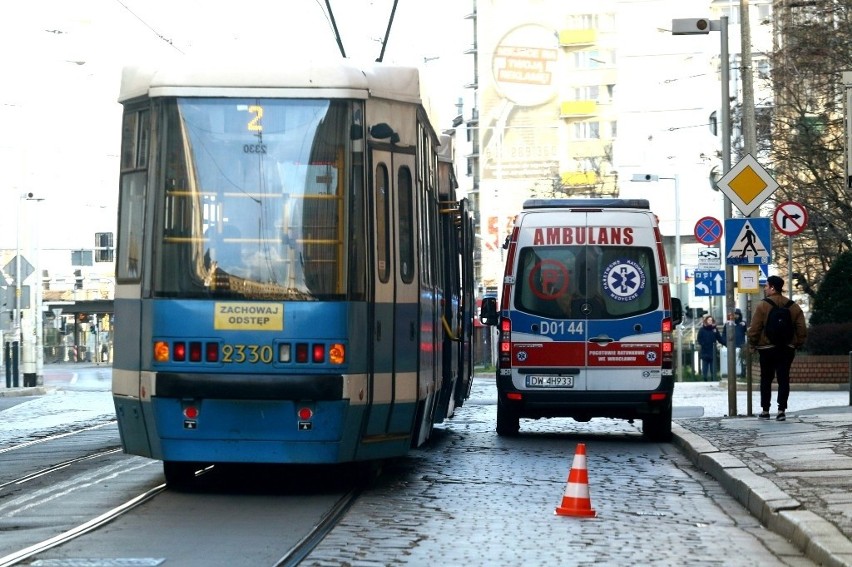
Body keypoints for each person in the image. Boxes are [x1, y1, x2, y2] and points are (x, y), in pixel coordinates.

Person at [747, 275, 807, 421]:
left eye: (766, 286)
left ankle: (765, 410)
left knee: (766, 379)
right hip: (786, 348)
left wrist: (753, 343)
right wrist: (797, 343)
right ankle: (781, 410)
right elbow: (801, 329)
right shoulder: (793, 306)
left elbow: (755, 328)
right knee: (783, 378)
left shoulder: (762, 305)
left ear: (773, 287)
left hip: (767, 348)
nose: (765, 288)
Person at [722, 308, 747, 377]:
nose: (736, 316)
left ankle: (742, 374)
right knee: (732, 361)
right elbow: (724, 335)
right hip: (731, 346)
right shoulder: (728, 324)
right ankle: (732, 374)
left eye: (737, 315)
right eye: (734, 315)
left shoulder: (742, 324)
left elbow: (748, 332)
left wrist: (745, 325)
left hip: (741, 346)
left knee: (742, 361)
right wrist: (726, 343)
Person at [697, 315, 724, 381]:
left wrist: (725, 343)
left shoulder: (714, 329)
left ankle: (713, 378)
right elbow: (699, 339)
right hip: (705, 350)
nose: (710, 321)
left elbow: (719, 338)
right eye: (709, 320)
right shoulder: (702, 329)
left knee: (713, 365)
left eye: (711, 320)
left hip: (713, 350)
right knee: (705, 365)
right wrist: (703, 344)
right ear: (706, 321)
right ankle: (705, 378)